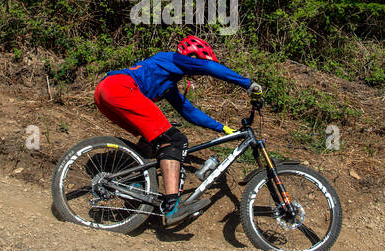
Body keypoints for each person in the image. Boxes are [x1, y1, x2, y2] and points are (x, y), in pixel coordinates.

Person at [95, 35, 261, 222]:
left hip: (106, 93)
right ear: (192, 57)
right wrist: (247, 84)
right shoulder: (172, 59)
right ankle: (173, 206)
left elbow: (188, 111)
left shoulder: (169, 82)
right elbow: (209, 68)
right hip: (119, 88)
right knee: (175, 140)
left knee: (154, 138)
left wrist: (222, 128)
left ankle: (134, 183)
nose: (200, 70)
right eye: (201, 62)